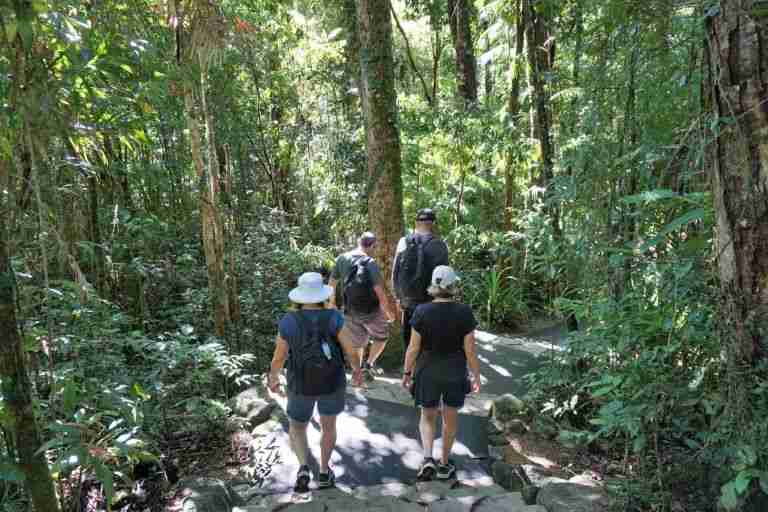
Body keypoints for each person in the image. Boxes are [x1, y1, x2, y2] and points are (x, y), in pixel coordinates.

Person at [268, 272, 364, 492]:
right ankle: (323, 471)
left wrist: (273, 377)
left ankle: (303, 467)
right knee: (328, 426)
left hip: (300, 383)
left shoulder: (288, 320)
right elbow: (350, 349)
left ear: (299, 297)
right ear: (322, 295)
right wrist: (357, 371)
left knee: (297, 426)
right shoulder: (334, 317)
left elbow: (279, 356)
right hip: (331, 381)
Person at [401, 266, 481, 481]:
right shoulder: (464, 312)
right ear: (454, 285)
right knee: (450, 420)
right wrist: (476, 375)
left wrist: (407, 372)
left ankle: (428, 458)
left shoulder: (421, 311)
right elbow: (470, 350)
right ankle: (445, 464)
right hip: (455, 371)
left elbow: (413, 348)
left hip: (427, 370)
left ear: (433, 286)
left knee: (427, 416)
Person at [329, 232, 396, 380]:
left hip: (349, 310)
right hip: (371, 311)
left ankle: (357, 371)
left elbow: (332, 284)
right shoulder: (370, 263)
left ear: (359, 242)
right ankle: (369, 364)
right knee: (381, 337)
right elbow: (380, 292)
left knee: (356, 342)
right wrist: (388, 312)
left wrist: (332, 304)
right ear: (372, 246)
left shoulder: (342, 258)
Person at [392, 208, 449, 351]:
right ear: (433, 224)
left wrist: (398, 297)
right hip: (430, 302)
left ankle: (409, 370)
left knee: (409, 339)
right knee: (427, 341)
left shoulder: (404, 241)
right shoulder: (440, 245)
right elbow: (443, 278)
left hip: (408, 300)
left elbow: (395, 271)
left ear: (416, 222)